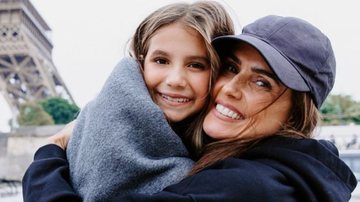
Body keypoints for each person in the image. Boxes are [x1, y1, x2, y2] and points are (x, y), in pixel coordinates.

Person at [23, 15, 357, 202]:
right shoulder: (292, 172)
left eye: (262, 83)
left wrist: (49, 153)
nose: (229, 88)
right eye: (229, 68)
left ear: (297, 114)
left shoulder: (246, 187)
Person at [27, 1, 234, 202]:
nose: (175, 80)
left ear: (219, 73)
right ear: (141, 63)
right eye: (161, 61)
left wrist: (49, 150)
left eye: (196, 65)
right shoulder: (100, 125)